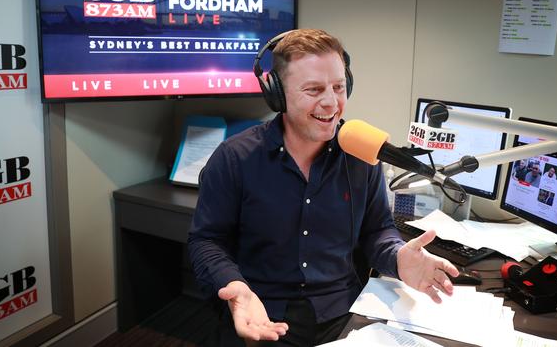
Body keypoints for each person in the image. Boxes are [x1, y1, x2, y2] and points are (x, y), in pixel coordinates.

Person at [187, 29, 459, 347]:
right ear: (277, 94)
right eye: (314, 90)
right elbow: (206, 240)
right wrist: (234, 284)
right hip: (262, 311)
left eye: (339, 87)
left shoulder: (362, 156)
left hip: (344, 314)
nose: (331, 102)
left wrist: (398, 257)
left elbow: (377, 231)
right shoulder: (235, 158)